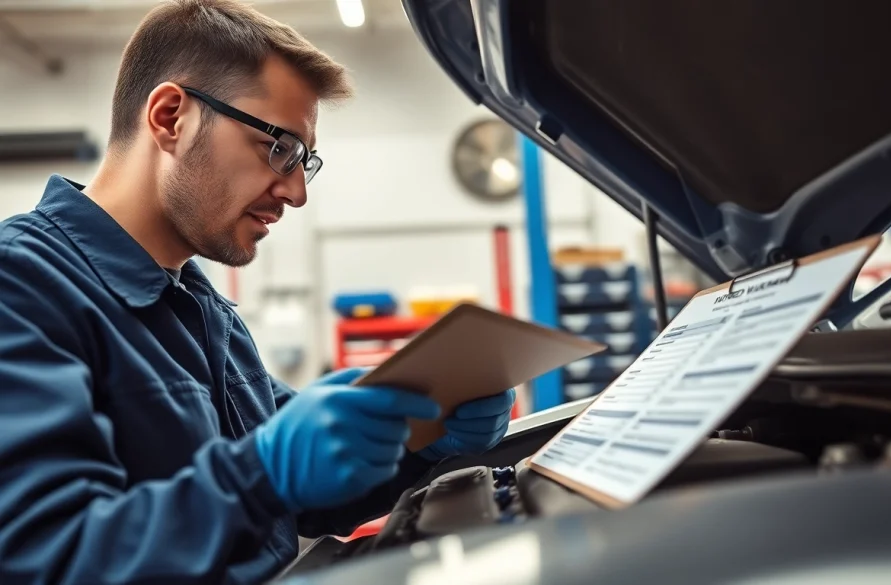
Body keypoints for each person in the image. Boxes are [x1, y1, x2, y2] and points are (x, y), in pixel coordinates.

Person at [0, 1, 515, 583]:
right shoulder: (21, 286)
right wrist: (261, 473)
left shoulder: (200, 307)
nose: (295, 193)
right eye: (279, 148)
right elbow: (46, 558)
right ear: (171, 117)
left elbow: (301, 500)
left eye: (304, 161)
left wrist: (420, 444)